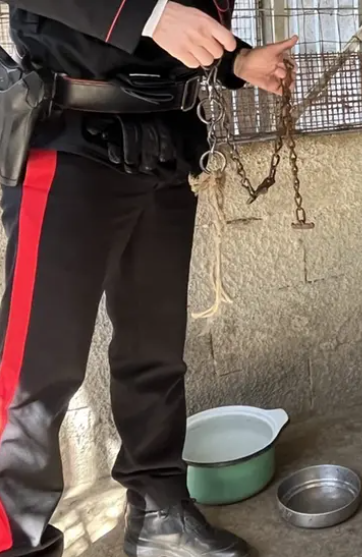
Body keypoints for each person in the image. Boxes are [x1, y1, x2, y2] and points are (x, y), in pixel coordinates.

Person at [0, 1, 297, 556]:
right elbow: (157, 19)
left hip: (165, 143)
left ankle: (160, 515)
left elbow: (178, 29)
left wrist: (235, 62)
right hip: (69, 138)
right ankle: (12, 543)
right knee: (33, 376)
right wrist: (148, 13)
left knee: (155, 352)